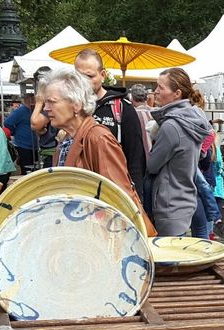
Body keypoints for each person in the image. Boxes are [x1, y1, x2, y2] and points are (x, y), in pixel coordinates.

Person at [42, 68, 157, 237]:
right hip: (82, 236)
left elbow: (119, 197)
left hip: (103, 240)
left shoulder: (98, 138)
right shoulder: (66, 141)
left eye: (52, 102)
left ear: (76, 105)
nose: (46, 108)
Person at [74, 49, 148, 204]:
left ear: (102, 75)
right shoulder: (71, 107)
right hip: (80, 190)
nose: (83, 82)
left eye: (89, 76)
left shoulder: (122, 108)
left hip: (113, 191)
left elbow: (135, 157)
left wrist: (136, 198)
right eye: (78, 76)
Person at [146, 67, 211, 237]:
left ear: (177, 94)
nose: (156, 91)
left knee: (169, 260)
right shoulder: (194, 118)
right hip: (185, 197)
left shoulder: (172, 126)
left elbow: (152, 166)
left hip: (169, 203)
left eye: (161, 87)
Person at [4, 93, 39, 174]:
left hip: (35, 145)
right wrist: (15, 132)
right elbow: (8, 122)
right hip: (24, 145)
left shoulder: (34, 110)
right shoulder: (20, 111)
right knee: (26, 167)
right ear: (29, 100)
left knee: (35, 168)